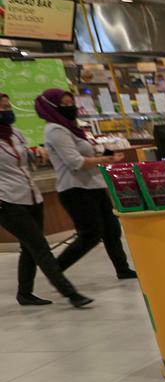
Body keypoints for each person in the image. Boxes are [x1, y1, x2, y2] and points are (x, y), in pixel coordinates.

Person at [0, 94, 92, 308]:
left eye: (7, 106)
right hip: (7, 200)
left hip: (31, 195)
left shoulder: (17, 135)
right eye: (2, 108)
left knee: (29, 247)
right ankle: (71, 294)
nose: (7, 111)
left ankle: (24, 293)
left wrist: (37, 155)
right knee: (40, 247)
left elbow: (23, 161)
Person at [37, 88, 137, 280]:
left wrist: (108, 156)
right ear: (51, 107)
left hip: (93, 185)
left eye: (70, 103)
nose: (69, 107)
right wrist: (104, 161)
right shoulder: (55, 130)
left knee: (112, 230)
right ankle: (55, 271)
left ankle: (122, 269)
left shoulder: (71, 127)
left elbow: (87, 155)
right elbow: (76, 162)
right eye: (63, 104)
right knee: (90, 234)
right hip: (76, 189)